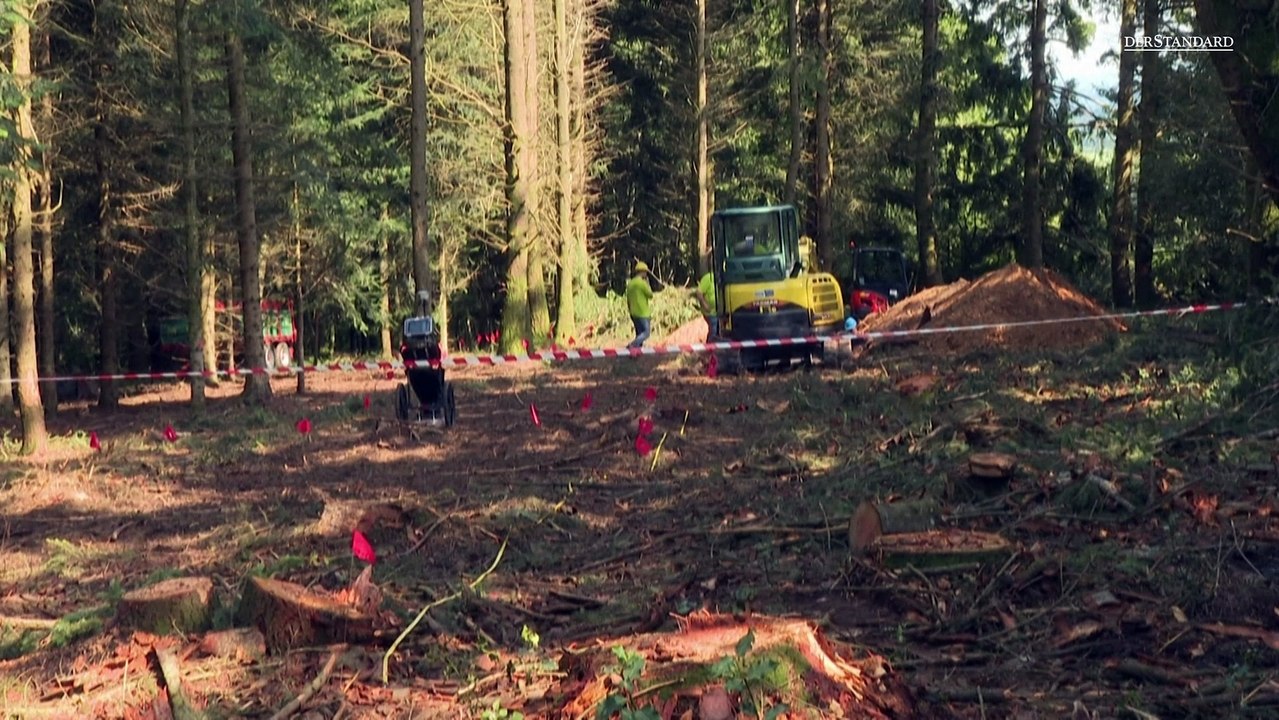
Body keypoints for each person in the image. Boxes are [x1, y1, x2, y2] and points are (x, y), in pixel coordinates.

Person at [625, 261, 654, 349]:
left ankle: (637, 352)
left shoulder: (630, 284)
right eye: (645, 272)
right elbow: (650, 295)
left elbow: (628, 299)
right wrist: (647, 284)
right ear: (643, 272)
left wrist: (630, 310)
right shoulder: (642, 283)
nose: (646, 274)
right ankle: (633, 345)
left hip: (633, 312)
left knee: (639, 333)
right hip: (643, 312)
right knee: (646, 333)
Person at [694, 270, 719, 341]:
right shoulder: (708, 278)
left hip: (720, 311)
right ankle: (710, 347)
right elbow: (699, 292)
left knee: (717, 331)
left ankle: (712, 346)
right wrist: (705, 305)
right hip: (710, 312)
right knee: (714, 330)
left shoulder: (723, 278)